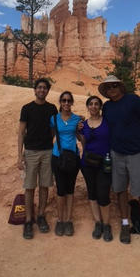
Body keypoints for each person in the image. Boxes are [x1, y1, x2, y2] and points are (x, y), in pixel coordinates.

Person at [98, 75, 140, 250]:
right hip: (116, 154)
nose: (112, 89)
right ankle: (124, 224)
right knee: (120, 189)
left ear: (121, 87)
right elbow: (103, 127)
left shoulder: (133, 100)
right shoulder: (107, 107)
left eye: (115, 85)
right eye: (108, 87)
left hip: (137, 152)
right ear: (106, 92)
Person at [17, 78, 58, 239]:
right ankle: (28, 220)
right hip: (31, 152)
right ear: (35, 90)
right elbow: (21, 133)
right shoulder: (27, 108)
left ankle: (41, 216)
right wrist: (19, 155)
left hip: (47, 151)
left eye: (45, 88)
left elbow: (54, 129)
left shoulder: (52, 108)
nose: (42, 90)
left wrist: (49, 140)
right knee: (29, 187)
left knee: (44, 185)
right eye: (39, 87)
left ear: (47, 91)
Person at [79, 96, 113, 242]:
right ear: (87, 107)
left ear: (100, 107)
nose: (93, 106)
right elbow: (83, 142)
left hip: (104, 163)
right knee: (92, 193)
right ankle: (98, 223)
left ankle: (107, 225)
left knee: (103, 194)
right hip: (87, 164)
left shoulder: (107, 122)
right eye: (91, 104)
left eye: (96, 104)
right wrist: (77, 130)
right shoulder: (84, 125)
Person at [50, 91, 81, 237]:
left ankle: (68, 220)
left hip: (73, 157)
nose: (66, 103)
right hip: (58, 157)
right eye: (64, 100)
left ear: (72, 102)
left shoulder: (77, 119)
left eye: (69, 101)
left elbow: (80, 136)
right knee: (60, 190)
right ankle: (60, 220)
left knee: (70, 190)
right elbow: (50, 136)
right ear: (60, 102)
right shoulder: (54, 119)